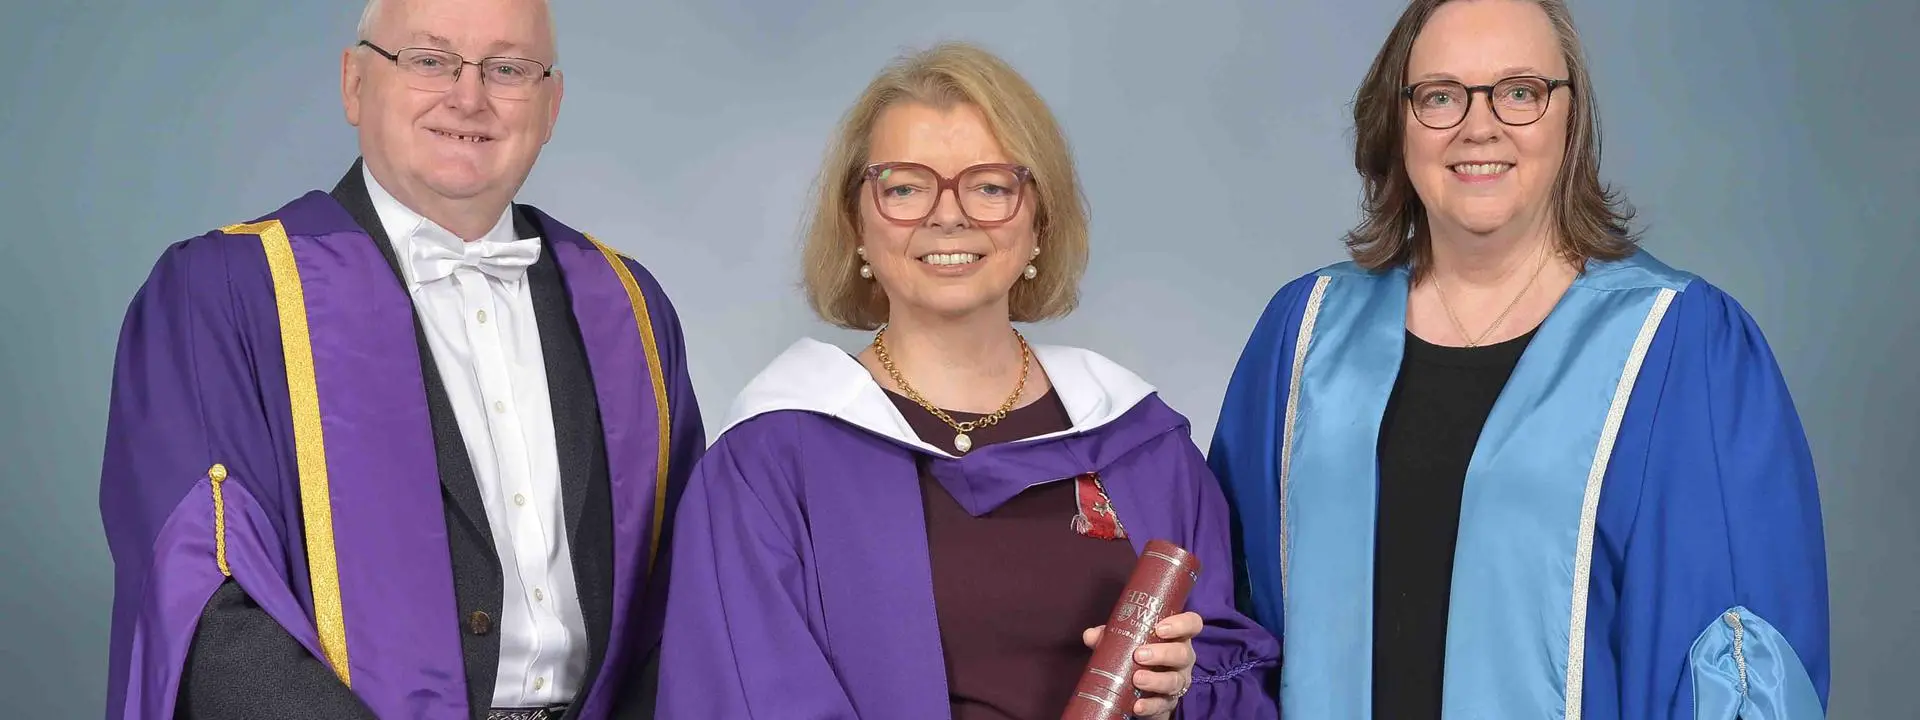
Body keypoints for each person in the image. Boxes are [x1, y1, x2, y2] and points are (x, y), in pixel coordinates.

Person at [1208, 0, 1829, 717]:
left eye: (1520, 92)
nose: (1480, 124)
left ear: (1570, 118)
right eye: (1441, 95)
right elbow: (1230, 619)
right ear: (1399, 120)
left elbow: (1739, 665)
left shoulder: (1680, 345)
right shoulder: (1307, 334)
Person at [97, 1, 704, 718]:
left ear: (551, 105)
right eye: (429, 60)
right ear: (355, 83)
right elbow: (202, 591)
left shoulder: (627, 306)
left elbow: (687, 588)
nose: (468, 97)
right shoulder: (224, 293)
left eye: (508, 69)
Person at [656, 41, 1279, 719]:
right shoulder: (773, 459)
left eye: (989, 186)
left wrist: (1179, 693)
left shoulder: (1142, 446)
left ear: (1040, 220)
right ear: (856, 225)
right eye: (904, 187)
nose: (947, 215)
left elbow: (1232, 672)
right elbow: (744, 698)